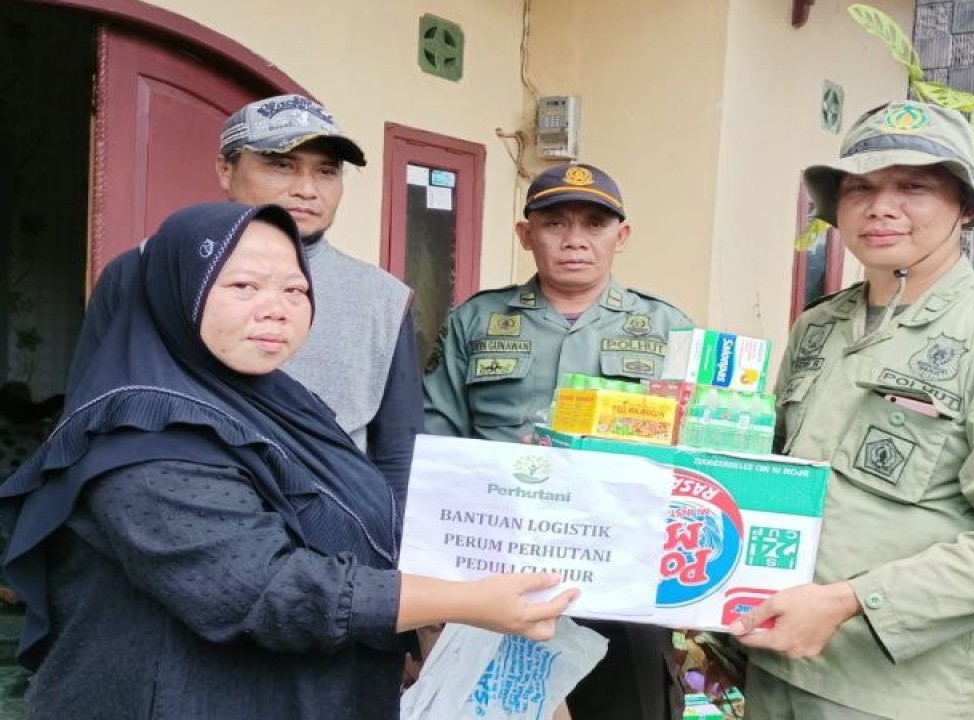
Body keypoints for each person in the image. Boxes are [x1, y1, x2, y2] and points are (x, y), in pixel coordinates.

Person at [0, 202, 575, 719]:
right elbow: (263, 589)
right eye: (244, 286)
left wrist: (428, 615)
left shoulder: (276, 404)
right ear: (177, 293)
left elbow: (359, 519)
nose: (275, 310)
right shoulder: (142, 434)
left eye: (294, 290)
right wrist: (464, 602)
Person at [729, 101, 974, 719]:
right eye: (861, 187)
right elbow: (777, 479)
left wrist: (849, 601)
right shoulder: (819, 327)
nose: (881, 206)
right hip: (774, 661)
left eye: (914, 186)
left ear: (965, 207)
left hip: (893, 694)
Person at [65, 94, 420, 517]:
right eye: (281, 164)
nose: (306, 189)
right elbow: (87, 417)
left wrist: (391, 554)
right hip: (177, 528)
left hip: (337, 545)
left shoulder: (382, 297)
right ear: (225, 169)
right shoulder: (145, 271)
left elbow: (400, 451)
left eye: (326, 171)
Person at [422, 162, 693, 719]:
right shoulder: (476, 320)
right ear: (526, 235)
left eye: (594, 224)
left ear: (622, 236)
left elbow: (693, 453)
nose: (574, 240)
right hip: (499, 567)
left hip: (621, 569)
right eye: (554, 223)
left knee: (630, 707)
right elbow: (436, 442)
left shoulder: (670, 329)